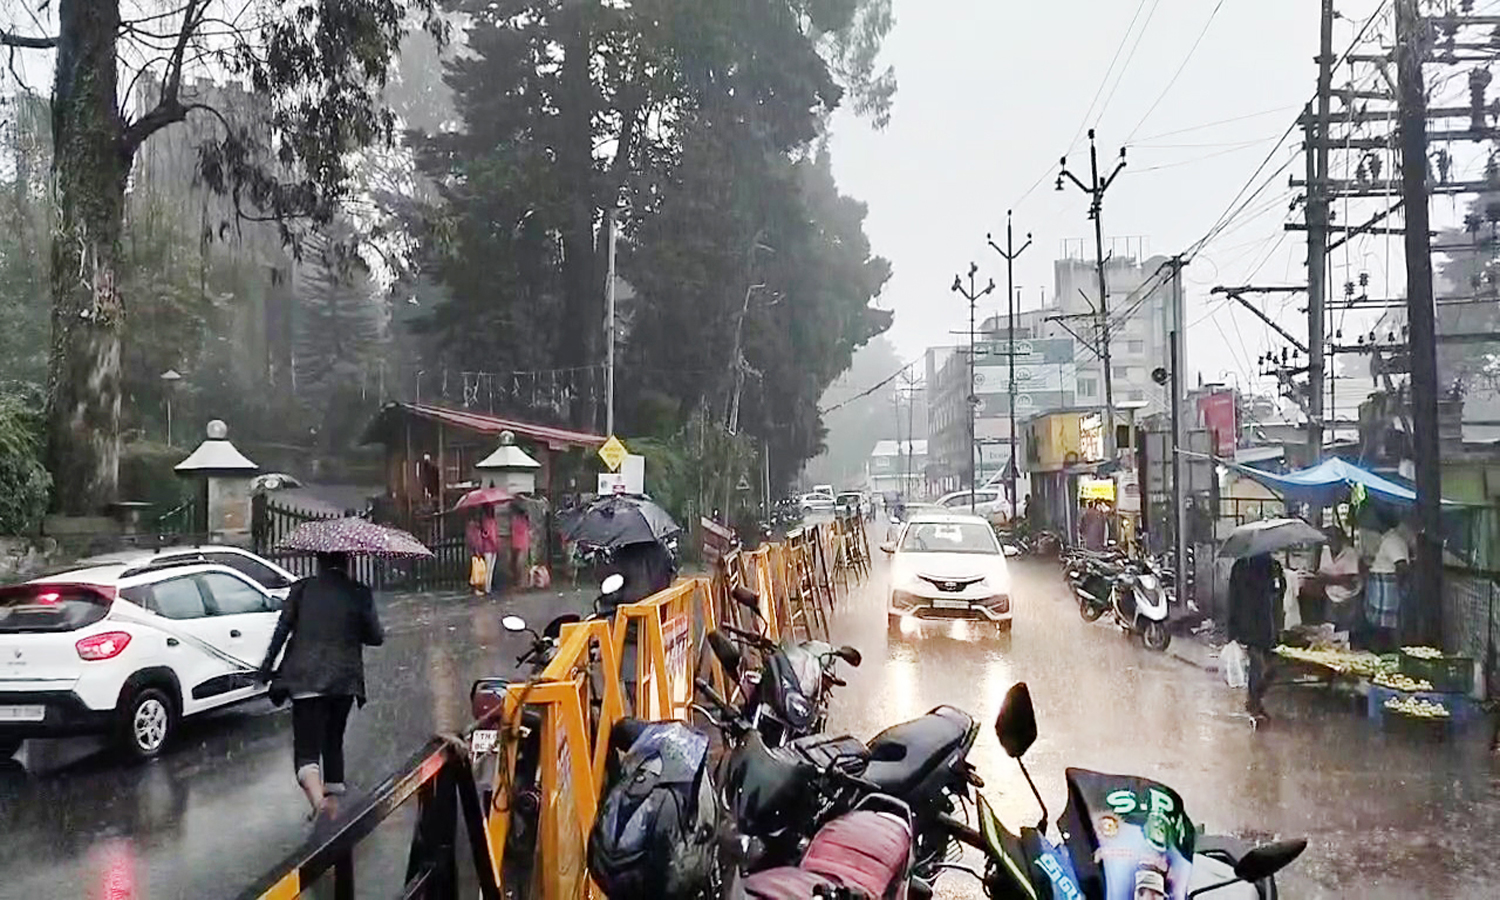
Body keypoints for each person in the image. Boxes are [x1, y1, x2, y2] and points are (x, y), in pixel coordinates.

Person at [259, 552, 384, 819]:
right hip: (344, 680)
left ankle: (319, 803)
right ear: (349, 561)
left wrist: (266, 667)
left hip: (305, 678)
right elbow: (376, 637)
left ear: (318, 562)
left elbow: (283, 629)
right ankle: (335, 802)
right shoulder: (358, 592)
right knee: (333, 741)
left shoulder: (302, 589)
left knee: (306, 750)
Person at [1228, 552, 1284, 719]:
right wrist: (1233, 629)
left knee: (1272, 667)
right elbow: (1233, 597)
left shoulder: (1273, 566)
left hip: (1267, 623)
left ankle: (1254, 700)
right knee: (1257, 665)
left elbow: (1280, 592)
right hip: (1249, 624)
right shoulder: (1240, 567)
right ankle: (1254, 703)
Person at [1366, 517, 1413, 652]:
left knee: (1387, 632)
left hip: (1387, 594)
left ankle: (1391, 657)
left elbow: (1402, 565)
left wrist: (1400, 590)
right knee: (1381, 631)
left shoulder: (1393, 540)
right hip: (1383, 593)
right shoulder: (1387, 538)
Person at [1312, 526, 1364, 633]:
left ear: (1340, 537)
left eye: (1333, 538)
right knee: (1330, 632)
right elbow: (1321, 575)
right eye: (1328, 539)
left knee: (1348, 632)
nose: (1331, 541)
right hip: (1331, 599)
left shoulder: (1350, 553)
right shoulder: (1325, 552)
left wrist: (1328, 579)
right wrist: (1332, 579)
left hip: (1348, 600)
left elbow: (1349, 581)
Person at [466, 508, 499, 595]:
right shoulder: (488, 522)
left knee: (489, 569)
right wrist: (495, 543)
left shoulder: (488, 522)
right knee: (488, 569)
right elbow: (491, 534)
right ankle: (487, 587)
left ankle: (488, 587)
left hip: (489, 547)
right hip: (489, 547)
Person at [509, 499, 531, 585]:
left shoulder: (514, 519)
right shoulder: (523, 519)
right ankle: (522, 580)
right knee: (522, 561)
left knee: (517, 560)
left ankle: (518, 579)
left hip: (515, 540)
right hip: (523, 540)